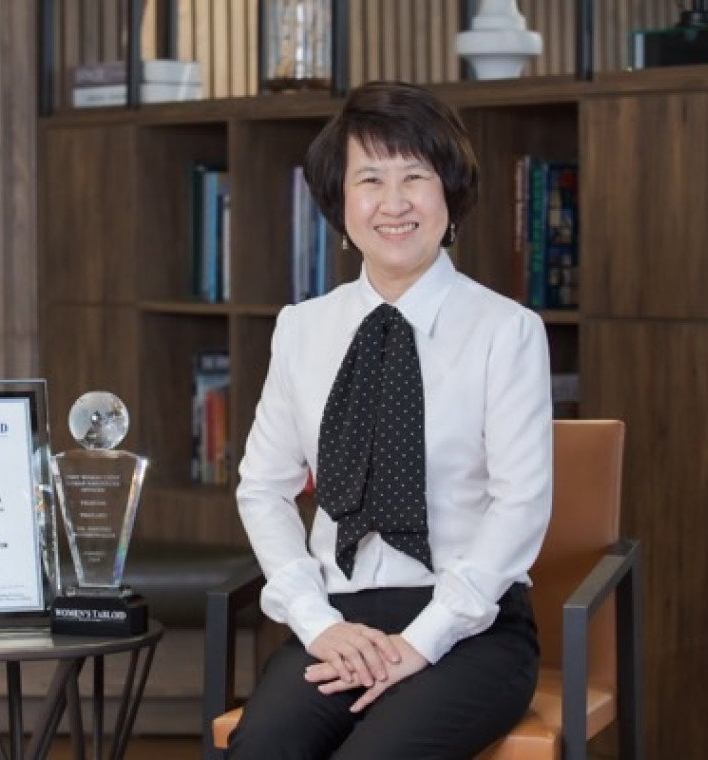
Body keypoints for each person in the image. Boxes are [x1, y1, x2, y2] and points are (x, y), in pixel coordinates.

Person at [229, 81, 553, 759]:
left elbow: (521, 504)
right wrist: (316, 623)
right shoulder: (302, 330)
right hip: (339, 620)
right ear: (340, 200)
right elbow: (262, 488)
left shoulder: (506, 331)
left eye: (416, 177)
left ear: (449, 193)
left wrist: (423, 640)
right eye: (370, 179)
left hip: (471, 629)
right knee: (263, 745)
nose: (394, 202)